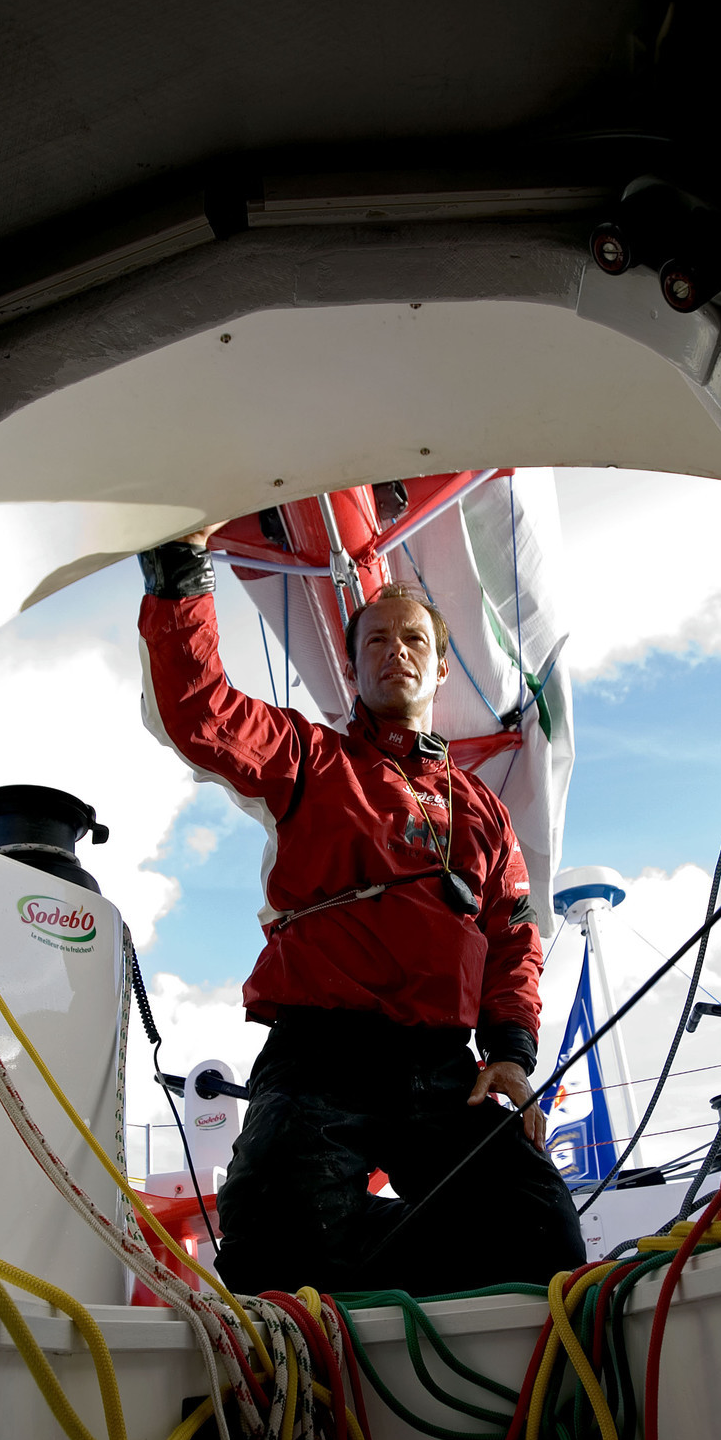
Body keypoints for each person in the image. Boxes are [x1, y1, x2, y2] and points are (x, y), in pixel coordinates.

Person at [137, 524, 587, 1299]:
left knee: (541, 1230)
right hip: (321, 1056)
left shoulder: (480, 808)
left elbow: (512, 931)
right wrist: (181, 573)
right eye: (375, 639)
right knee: (270, 1232)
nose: (395, 649)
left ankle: (425, 1330)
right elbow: (200, 710)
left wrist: (510, 1050)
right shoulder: (308, 757)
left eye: (413, 637)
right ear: (351, 667)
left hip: (448, 1072)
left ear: (439, 665)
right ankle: (355, 1337)